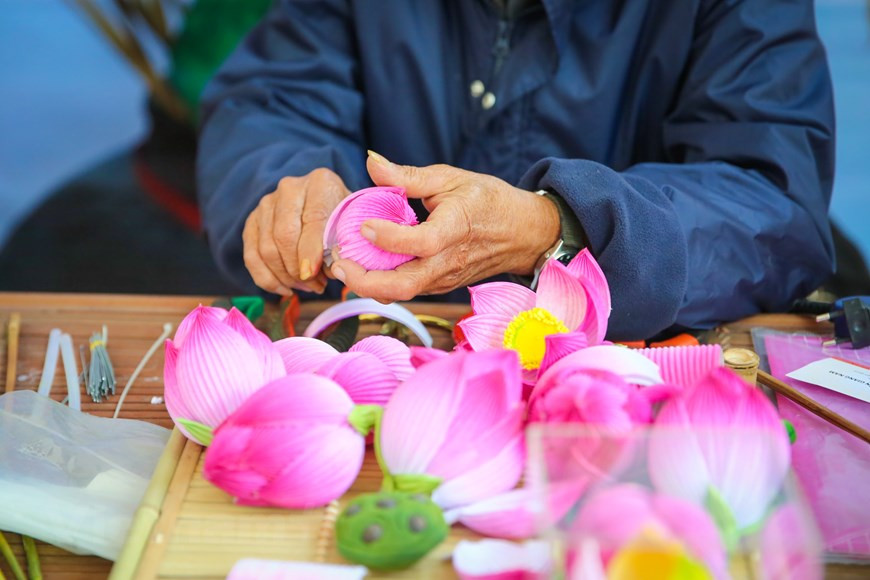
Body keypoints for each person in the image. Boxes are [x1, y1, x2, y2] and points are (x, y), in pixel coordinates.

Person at [197, 0, 835, 341]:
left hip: (617, 370)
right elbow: (273, 104)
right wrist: (285, 191)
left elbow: (771, 204)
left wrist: (562, 227)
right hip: (392, 343)